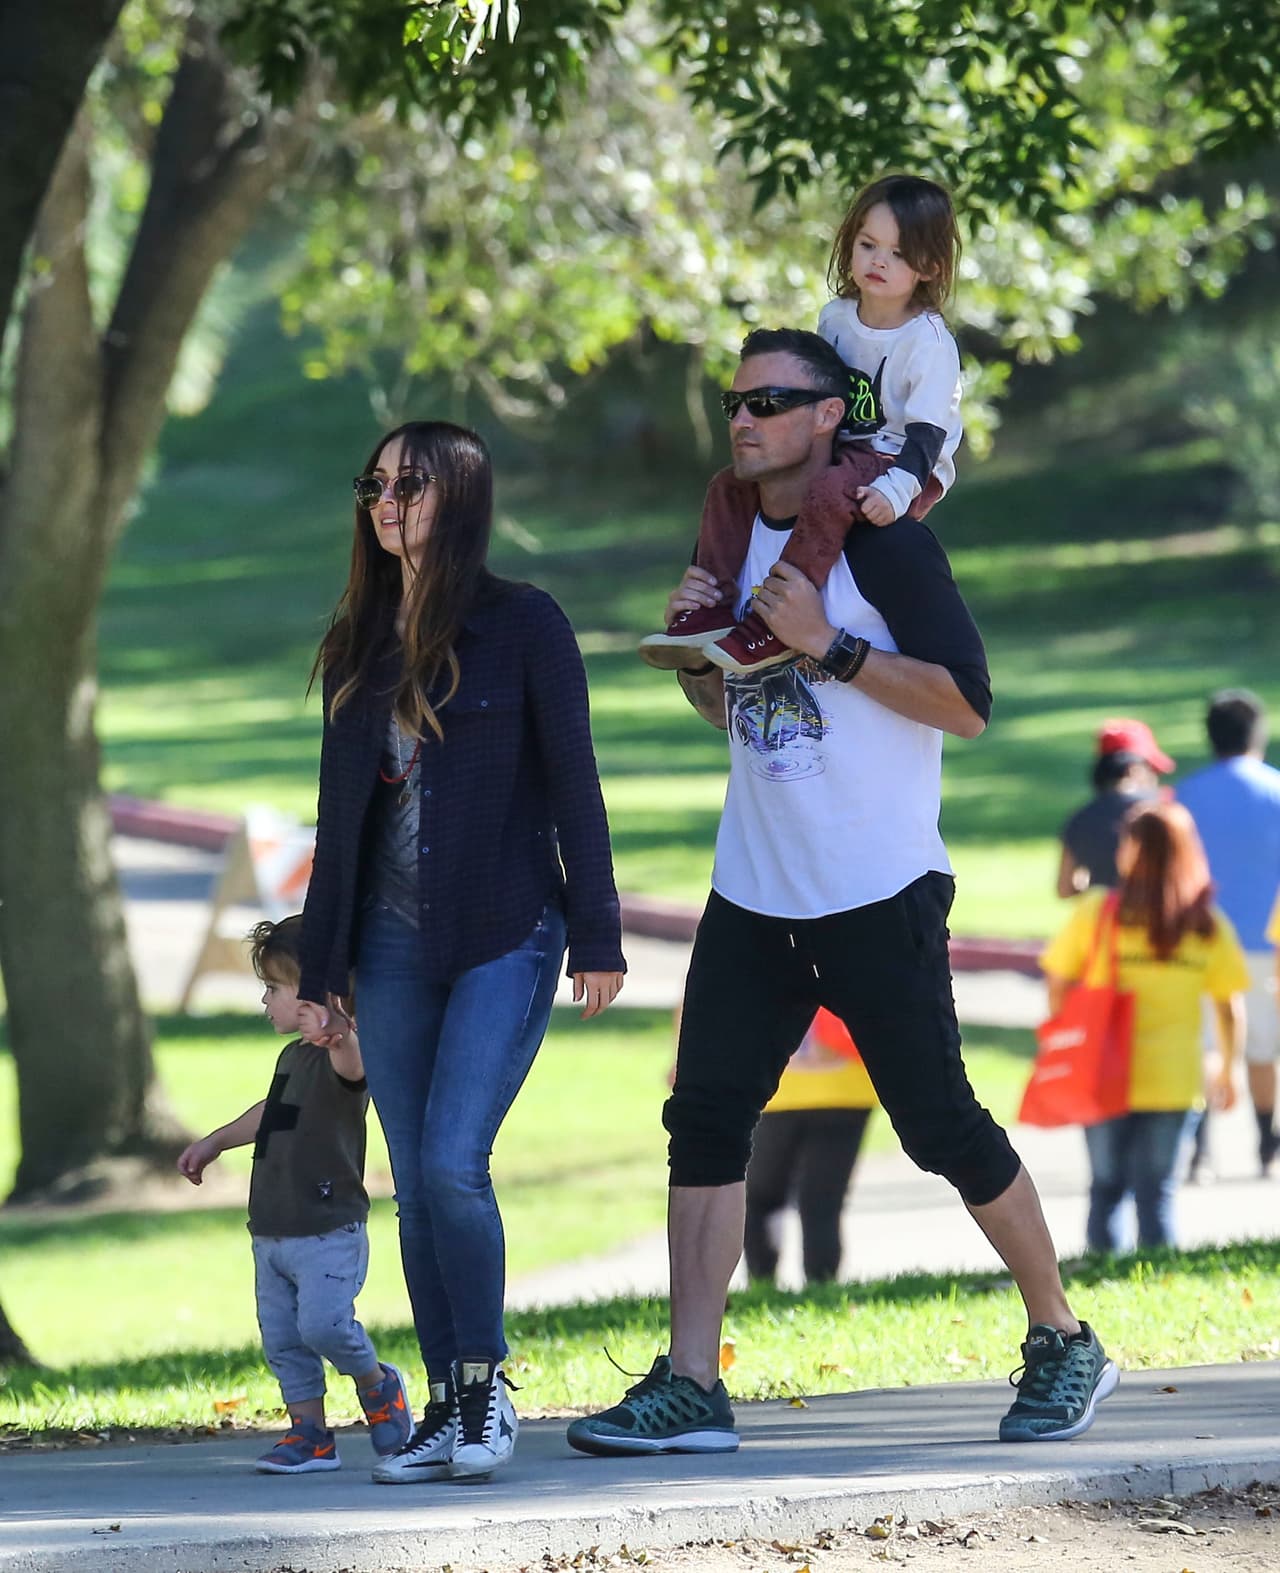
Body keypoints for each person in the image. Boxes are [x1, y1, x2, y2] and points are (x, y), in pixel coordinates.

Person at [568, 327, 1115, 1459]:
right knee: (704, 1121)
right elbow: (734, 714)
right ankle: (691, 1381)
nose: (744, 418)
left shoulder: (883, 540)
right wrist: (699, 656)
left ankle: (1064, 1335)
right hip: (754, 887)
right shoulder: (734, 535)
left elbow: (967, 704)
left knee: (938, 1123)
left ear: (831, 414)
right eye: (736, 402)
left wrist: (827, 645)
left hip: (877, 886)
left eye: (771, 400)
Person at [296, 421, 626, 1483]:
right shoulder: (358, 640)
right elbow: (337, 821)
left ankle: (484, 1388)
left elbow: (574, 782)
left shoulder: (524, 623)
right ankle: (443, 1402)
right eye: (375, 485)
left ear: (463, 497)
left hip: (505, 929)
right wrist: (320, 972)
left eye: (411, 484)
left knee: (450, 1163)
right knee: (413, 1181)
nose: (387, 502)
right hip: (389, 946)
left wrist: (598, 930)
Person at [638, 174, 962, 678]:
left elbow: (928, 434)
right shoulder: (836, 317)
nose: (878, 261)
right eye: (868, 245)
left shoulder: (929, 343)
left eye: (899, 253)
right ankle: (711, 608)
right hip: (846, 451)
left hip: (903, 463)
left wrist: (898, 490)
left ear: (931, 266)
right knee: (728, 485)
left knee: (831, 493)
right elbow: (820, 391)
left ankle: (774, 622)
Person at [176, 916, 411, 1475]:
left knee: (324, 1326)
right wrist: (216, 1141)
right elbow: (271, 1114)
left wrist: (340, 1032)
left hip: (327, 1228)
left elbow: (354, 1067)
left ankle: (378, 1385)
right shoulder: (292, 1059)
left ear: (313, 997)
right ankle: (310, 1434)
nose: (265, 1000)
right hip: (272, 1229)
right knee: (283, 1339)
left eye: (273, 989)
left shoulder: (345, 1053)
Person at [1040, 803, 1247, 1251]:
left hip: (1103, 1072)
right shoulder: (1206, 924)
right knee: (1158, 1195)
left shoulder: (1099, 912)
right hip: (1175, 1079)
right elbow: (1229, 1007)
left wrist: (1066, 1034)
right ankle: (1159, 1278)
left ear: (1132, 850)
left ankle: (1103, 1277)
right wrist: (1228, 1070)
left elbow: (1058, 982)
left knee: (1106, 1190)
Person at [1177, 690, 1280, 1176]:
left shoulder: (1184, 796)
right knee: (1262, 1048)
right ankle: (1266, 1145)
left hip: (1199, 938)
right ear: (1257, 734)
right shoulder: (1276, 790)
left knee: (1204, 1044)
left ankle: (1200, 1150)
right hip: (1266, 938)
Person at [743, 1009, 877, 1286]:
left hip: (775, 1089)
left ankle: (762, 1281)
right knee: (822, 1201)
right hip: (847, 1087)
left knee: (763, 1198)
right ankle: (822, 1284)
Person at [1057, 719, 1173, 898]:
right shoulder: (1166, 808)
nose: (1155, 779)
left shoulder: (1079, 819)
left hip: (1106, 912)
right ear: (1134, 769)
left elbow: (1064, 888)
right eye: (1152, 770)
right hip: (1157, 909)